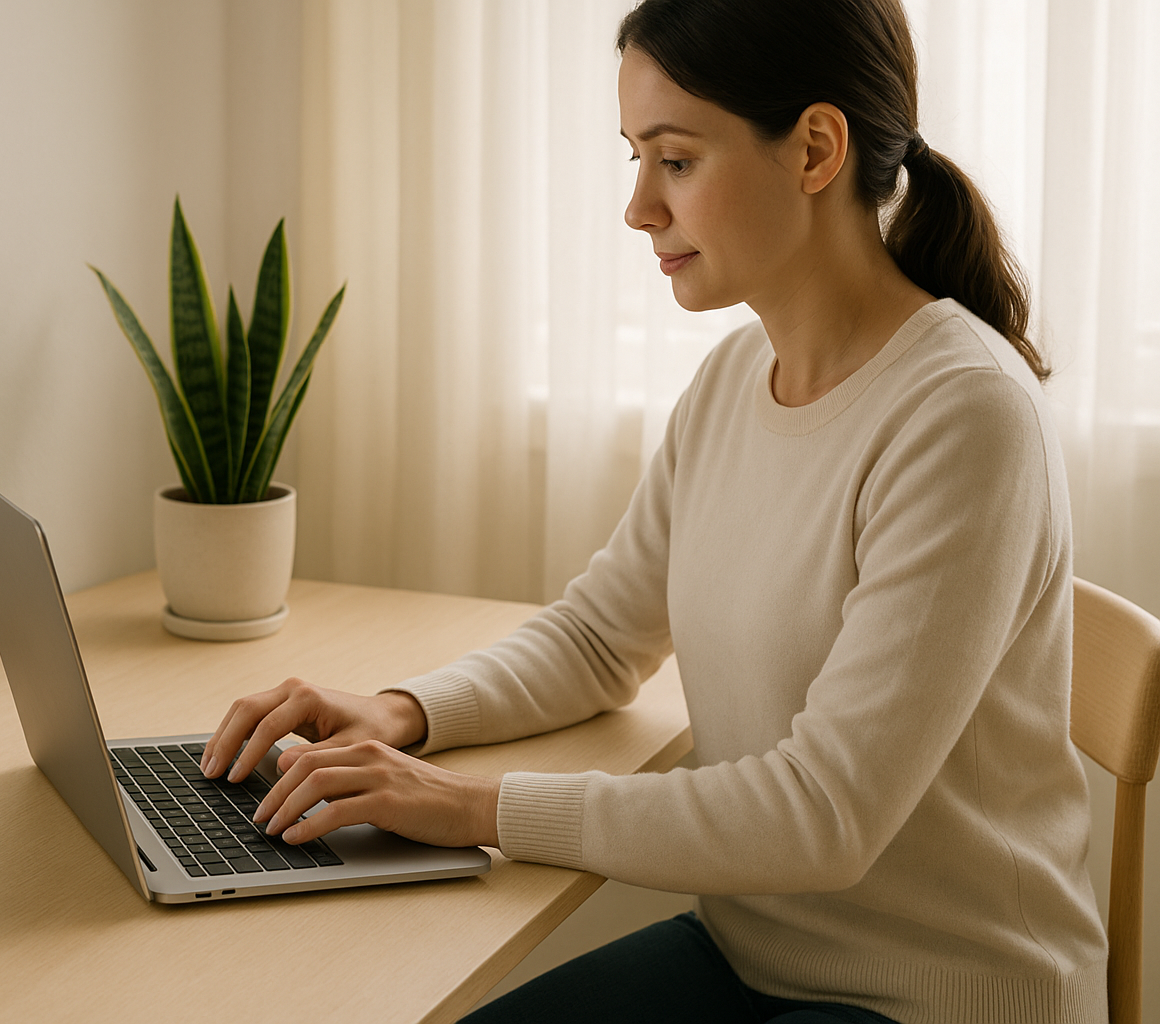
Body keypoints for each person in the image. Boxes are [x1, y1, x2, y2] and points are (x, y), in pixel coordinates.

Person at [199, 0, 1109, 1020]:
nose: (638, 207)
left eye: (675, 161)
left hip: (939, 998)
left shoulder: (965, 416)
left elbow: (824, 815)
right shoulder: (733, 381)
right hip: (752, 956)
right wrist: (406, 711)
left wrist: (468, 807)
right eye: (635, 157)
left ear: (814, 148)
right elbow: (599, 637)